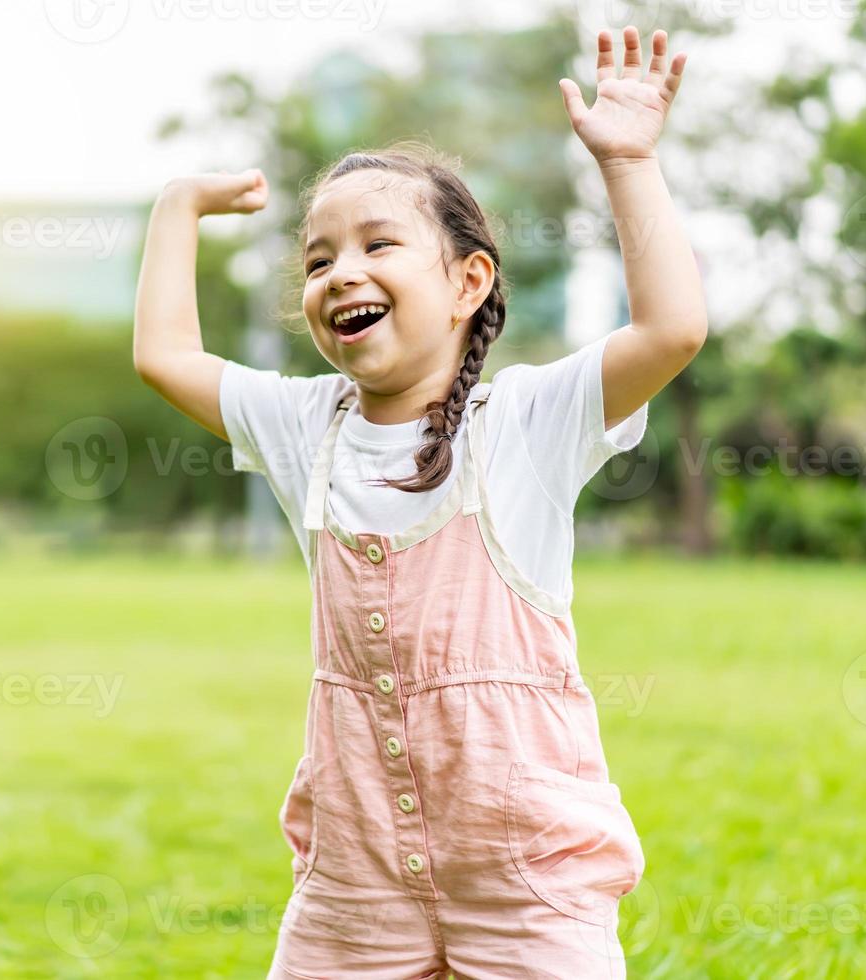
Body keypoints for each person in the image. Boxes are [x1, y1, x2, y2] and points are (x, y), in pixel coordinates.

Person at [131, 26, 705, 979]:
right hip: (354, 888)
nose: (339, 273)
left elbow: (671, 327)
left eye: (376, 244)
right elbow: (164, 358)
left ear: (466, 283)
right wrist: (175, 209)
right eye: (317, 261)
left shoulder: (525, 420)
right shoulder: (301, 426)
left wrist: (629, 162)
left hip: (527, 885)